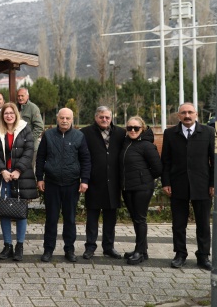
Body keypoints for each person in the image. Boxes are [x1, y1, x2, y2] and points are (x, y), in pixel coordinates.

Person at [161, 102, 214, 271]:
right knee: (178, 223)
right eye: (183, 113)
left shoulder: (209, 132)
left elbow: (215, 161)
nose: (187, 115)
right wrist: (166, 182)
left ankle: (203, 256)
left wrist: (213, 183)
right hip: (178, 185)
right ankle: (180, 254)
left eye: (190, 112)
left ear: (196, 114)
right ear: (178, 116)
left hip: (202, 185)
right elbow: (165, 161)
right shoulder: (170, 134)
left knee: (203, 223)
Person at [36, 108, 91, 263]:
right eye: (62, 118)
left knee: (70, 219)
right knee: (51, 219)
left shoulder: (79, 136)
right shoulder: (48, 135)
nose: (65, 120)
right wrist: (39, 178)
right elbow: (40, 158)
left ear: (72, 119)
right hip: (52, 184)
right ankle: (48, 250)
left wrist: (84, 180)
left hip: (72, 184)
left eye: (67, 118)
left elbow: (86, 159)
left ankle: (69, 250)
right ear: (57, 118)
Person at [0, 103, 37, 261]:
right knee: (4, 211)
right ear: (2, 115)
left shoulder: (25, 129)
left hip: (20, 177)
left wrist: (18, 170)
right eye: (6, 113)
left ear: (16, 114)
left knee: (21, 212)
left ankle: (19, 246)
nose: (9, 115)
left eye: (11, 113)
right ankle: (8, 245)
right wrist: (2, 170)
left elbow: (29, 151)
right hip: (4, 177)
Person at [80, 106, 125, 260]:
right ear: (96, 117)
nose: (104, 120)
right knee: (92, 218)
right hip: (93, 182)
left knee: (110, 218)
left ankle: (108, 247)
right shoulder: (85, 133)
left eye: (107, 117)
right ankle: (90, 247)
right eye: (101, 117)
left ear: (111, 118)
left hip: (113, 183)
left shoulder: (120, 133)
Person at [121, 116, 162, 265]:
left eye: (136, 128)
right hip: (127, 187)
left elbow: (158, 169)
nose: (132, 130)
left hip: (142, 188)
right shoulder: (125, 143)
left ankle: (139, 252)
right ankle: (142, 250)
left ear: (142, 129)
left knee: (140, 219)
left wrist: (143, 178)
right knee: (135, 219)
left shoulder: (147, 146)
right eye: (129, 128)